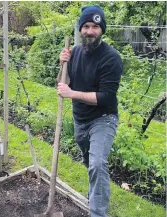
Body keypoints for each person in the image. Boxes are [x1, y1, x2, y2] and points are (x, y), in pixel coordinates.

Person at [57, 5, 123, 217]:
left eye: (95, 26)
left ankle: (98, 213)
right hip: (80, 119)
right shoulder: (74, 53)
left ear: (102, 29)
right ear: (80, 29)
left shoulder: (111, 58)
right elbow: (62, 85)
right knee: (89, 163)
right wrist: (62, 65)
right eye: (86, 26)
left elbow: (106, 97)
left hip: (103, 118)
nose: (90, 31)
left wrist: (72, 93)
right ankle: (97, 192)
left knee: (97, 164)